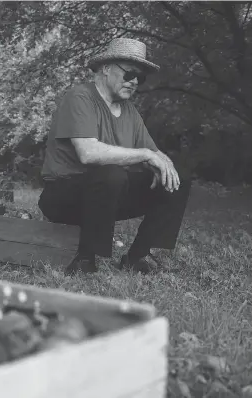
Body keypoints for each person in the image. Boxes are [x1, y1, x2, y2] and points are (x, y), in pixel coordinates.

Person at [38, 38, 192, 276]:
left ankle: (137, 256)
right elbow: (88, 153)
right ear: (106, 68)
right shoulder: (80, 97)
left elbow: (156, 154)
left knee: (174, 176)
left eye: (140, 78)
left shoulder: (130, 111)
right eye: (129, 74)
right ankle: (85, 259)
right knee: (111, 172)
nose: (134, 83)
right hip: (62, 197)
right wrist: (144, 155)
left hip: (106, 197)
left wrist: (163, 165)